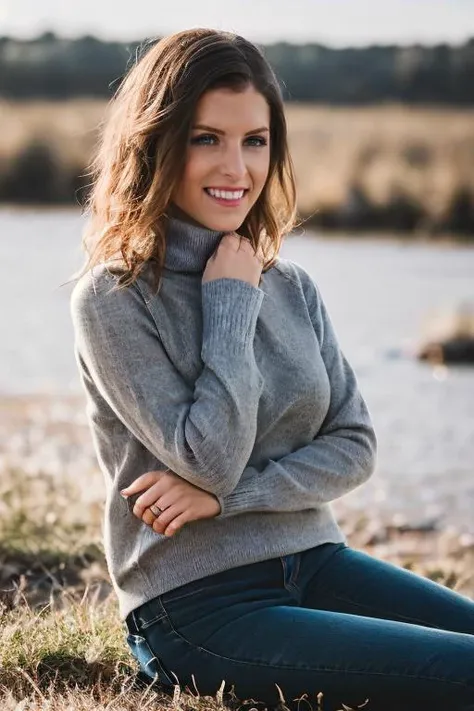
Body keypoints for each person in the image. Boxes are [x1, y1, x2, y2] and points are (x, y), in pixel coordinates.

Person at [69, 27, 474, 711]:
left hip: (317, 560)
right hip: (196, 608)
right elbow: (209, 456)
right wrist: (229, 300)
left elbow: (354, 444)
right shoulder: (115, 297)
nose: (236, 168)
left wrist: (231, 502)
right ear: (158, 142)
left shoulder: (293, 287)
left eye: (254, 140)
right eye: (207, 138)